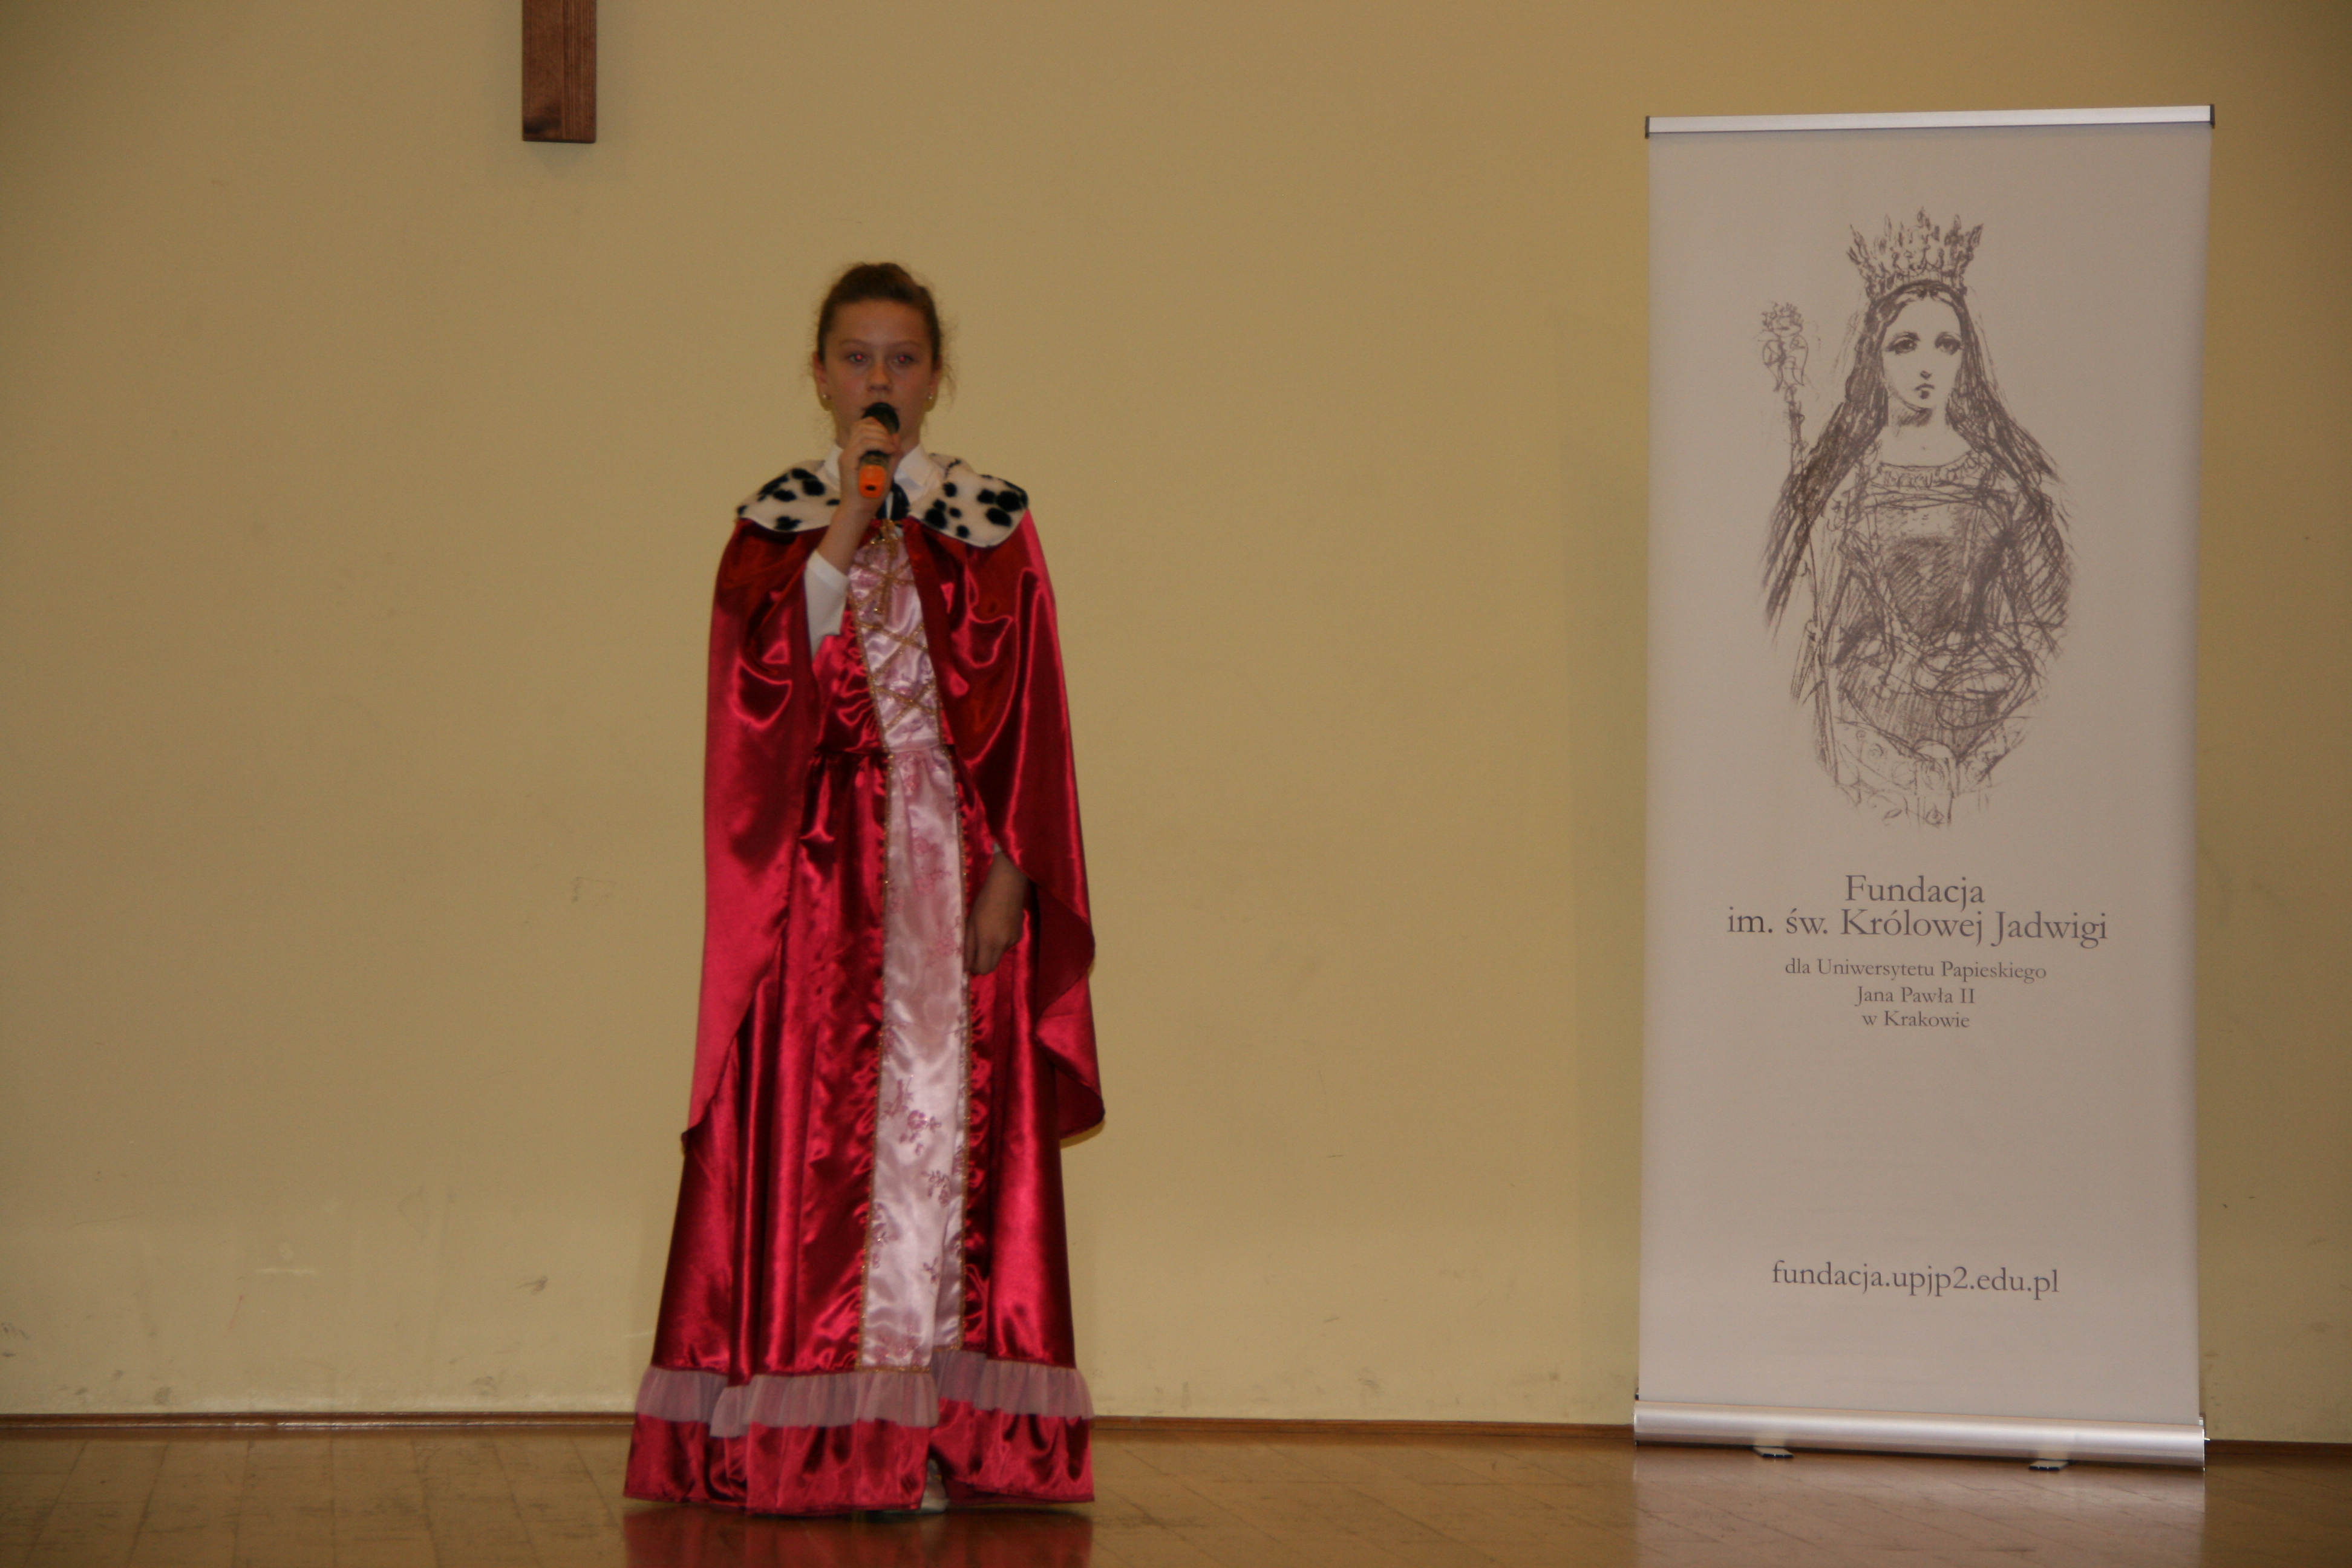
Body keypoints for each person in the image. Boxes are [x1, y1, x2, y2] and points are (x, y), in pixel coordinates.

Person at [623, 263, 1101, 1516]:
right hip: (823, 884)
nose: (878, 379)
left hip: (956, 873)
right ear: (819, 373)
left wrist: (1011, 879)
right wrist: (846, 520)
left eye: (901, 358)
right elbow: (761, 688)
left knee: (949, 1148)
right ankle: (826, 1430)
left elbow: (1035, 720)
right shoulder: (779, 523)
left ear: (936, 376)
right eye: (855, 357)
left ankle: (942, 1429)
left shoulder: (992, 523)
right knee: (825, 1155)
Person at [1763, 213, 2069, 826]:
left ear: (1966, 359)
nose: (1927, 365)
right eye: (1905, 345)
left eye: (1946, 345)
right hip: (1870, 734)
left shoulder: (2001, 484)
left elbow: (2050, 623)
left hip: (1991, 732)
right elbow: (1824, 631)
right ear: (1874, 359)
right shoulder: (1847, 488)